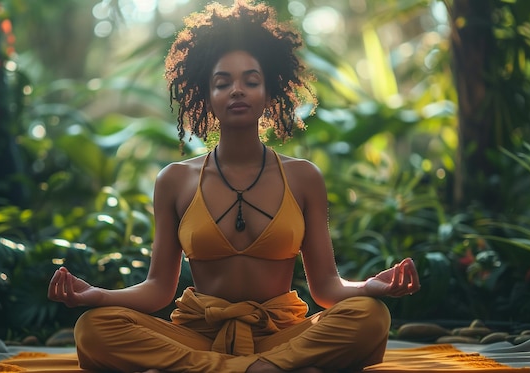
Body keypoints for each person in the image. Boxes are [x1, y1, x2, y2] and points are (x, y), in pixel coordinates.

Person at [48, 1, 420, 372]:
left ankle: (231, 367)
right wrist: (97, 295)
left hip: (280, 335)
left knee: (370, 315)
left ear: (269, 91)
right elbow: (160, 287)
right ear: (206, 96)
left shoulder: (303, 177)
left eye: (251, 81)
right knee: (95, 328)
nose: (237, 90)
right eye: (222, 82)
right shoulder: (175, 180)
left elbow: (325, 287)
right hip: (198, 338)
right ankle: (260, 369)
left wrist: (369, 287)